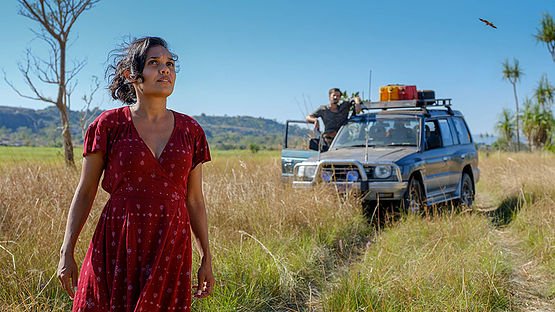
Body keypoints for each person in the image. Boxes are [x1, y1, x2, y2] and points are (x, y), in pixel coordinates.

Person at [56, 37, 214, 311]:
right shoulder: (109, 125)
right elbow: (86, 190)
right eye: (154, 63)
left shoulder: (191, 131)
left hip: (170, 245)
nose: (165, 70)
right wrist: (66, 251)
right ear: (132, 75)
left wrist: (206, 258)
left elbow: (195, 201)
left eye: (170, 64)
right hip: (118, 243)